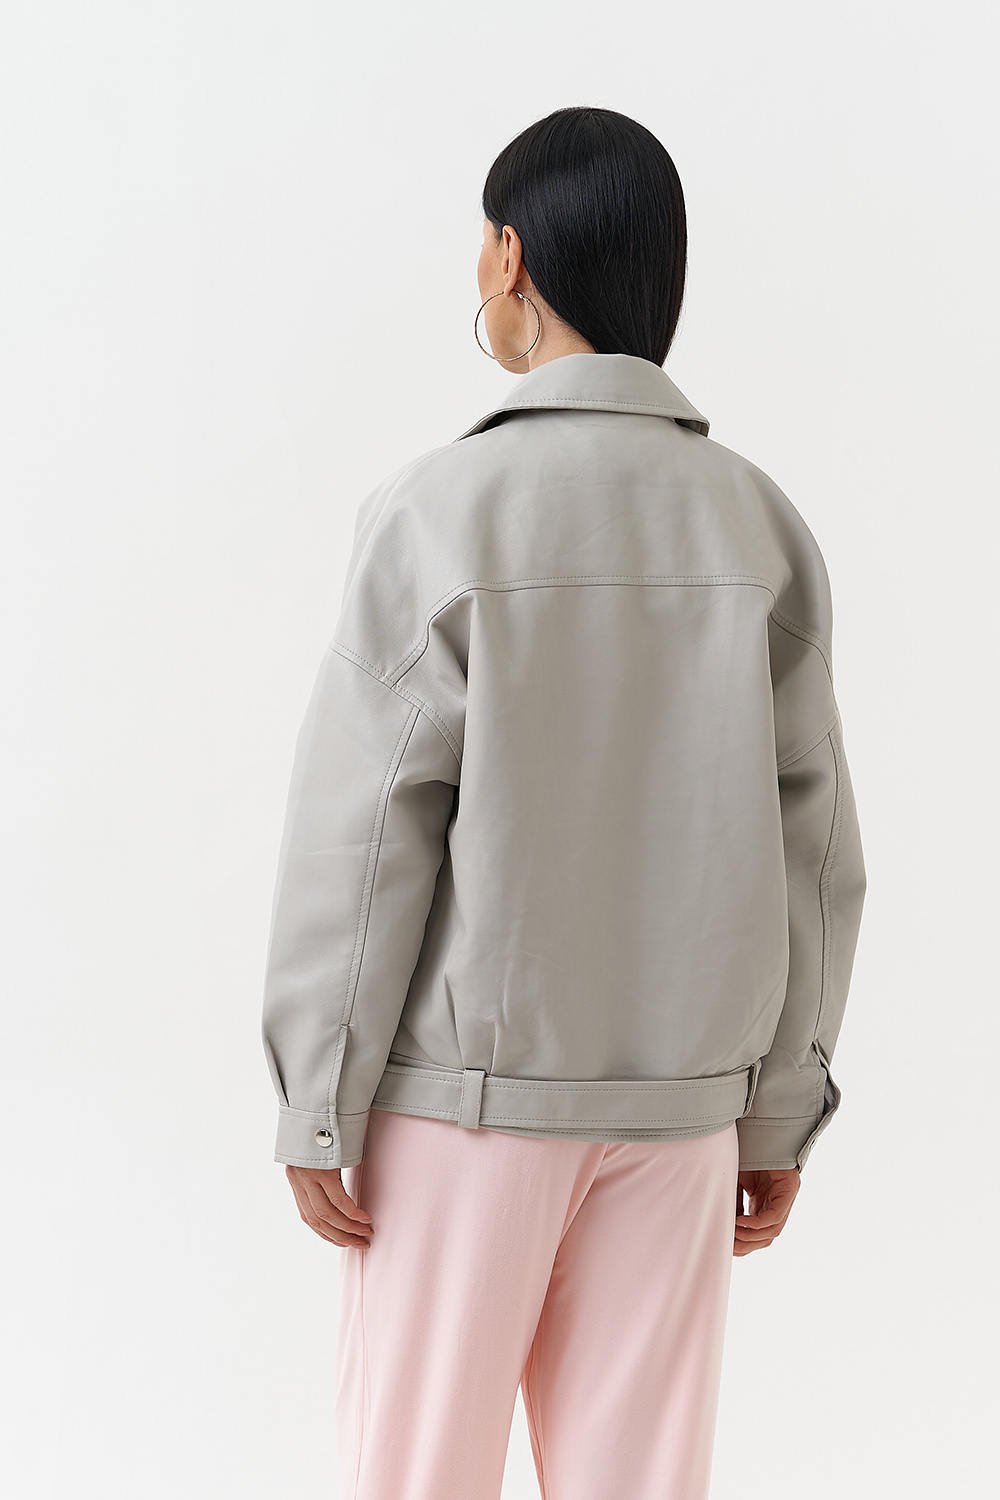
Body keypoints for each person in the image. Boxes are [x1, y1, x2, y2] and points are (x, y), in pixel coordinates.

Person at [260, 105, 866, 1500]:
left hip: (465, 1114)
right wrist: (777, 1109)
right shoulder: (760, 524)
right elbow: (818, 847)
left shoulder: (441, 511)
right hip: (680, 1119)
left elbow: (366, 833)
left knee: (417, 1479)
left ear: (510, 258)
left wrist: (317, 1097)